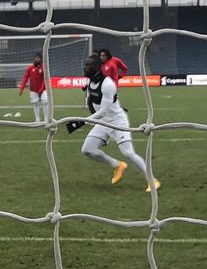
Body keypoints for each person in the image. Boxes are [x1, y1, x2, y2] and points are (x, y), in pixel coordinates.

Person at [67, 56, 160, 192]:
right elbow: (93, 105)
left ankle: (153, 181)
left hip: (117, 122)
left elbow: (103, 111)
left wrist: (81, 122)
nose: (84, 68)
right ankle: (117, 165)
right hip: (102, 122)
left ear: (97, 68)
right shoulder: (90, 82)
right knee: (87, 150)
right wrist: (90, 119)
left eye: (88, 65)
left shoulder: (107, 84)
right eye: (85, 65)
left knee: (128, 153)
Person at [18, 53, 49, 123]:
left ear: (41, 59)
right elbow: (25, 78)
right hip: (33, 90)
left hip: (43, 89)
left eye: (38, 58)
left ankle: (46, 119)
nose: (36, 59)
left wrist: (41, 90)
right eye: (36, 58)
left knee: (45, 101)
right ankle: (37, 120)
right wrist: (21, 88)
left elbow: (45, 80)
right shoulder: (30, 68)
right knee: (35, 103)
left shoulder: (44, 68)